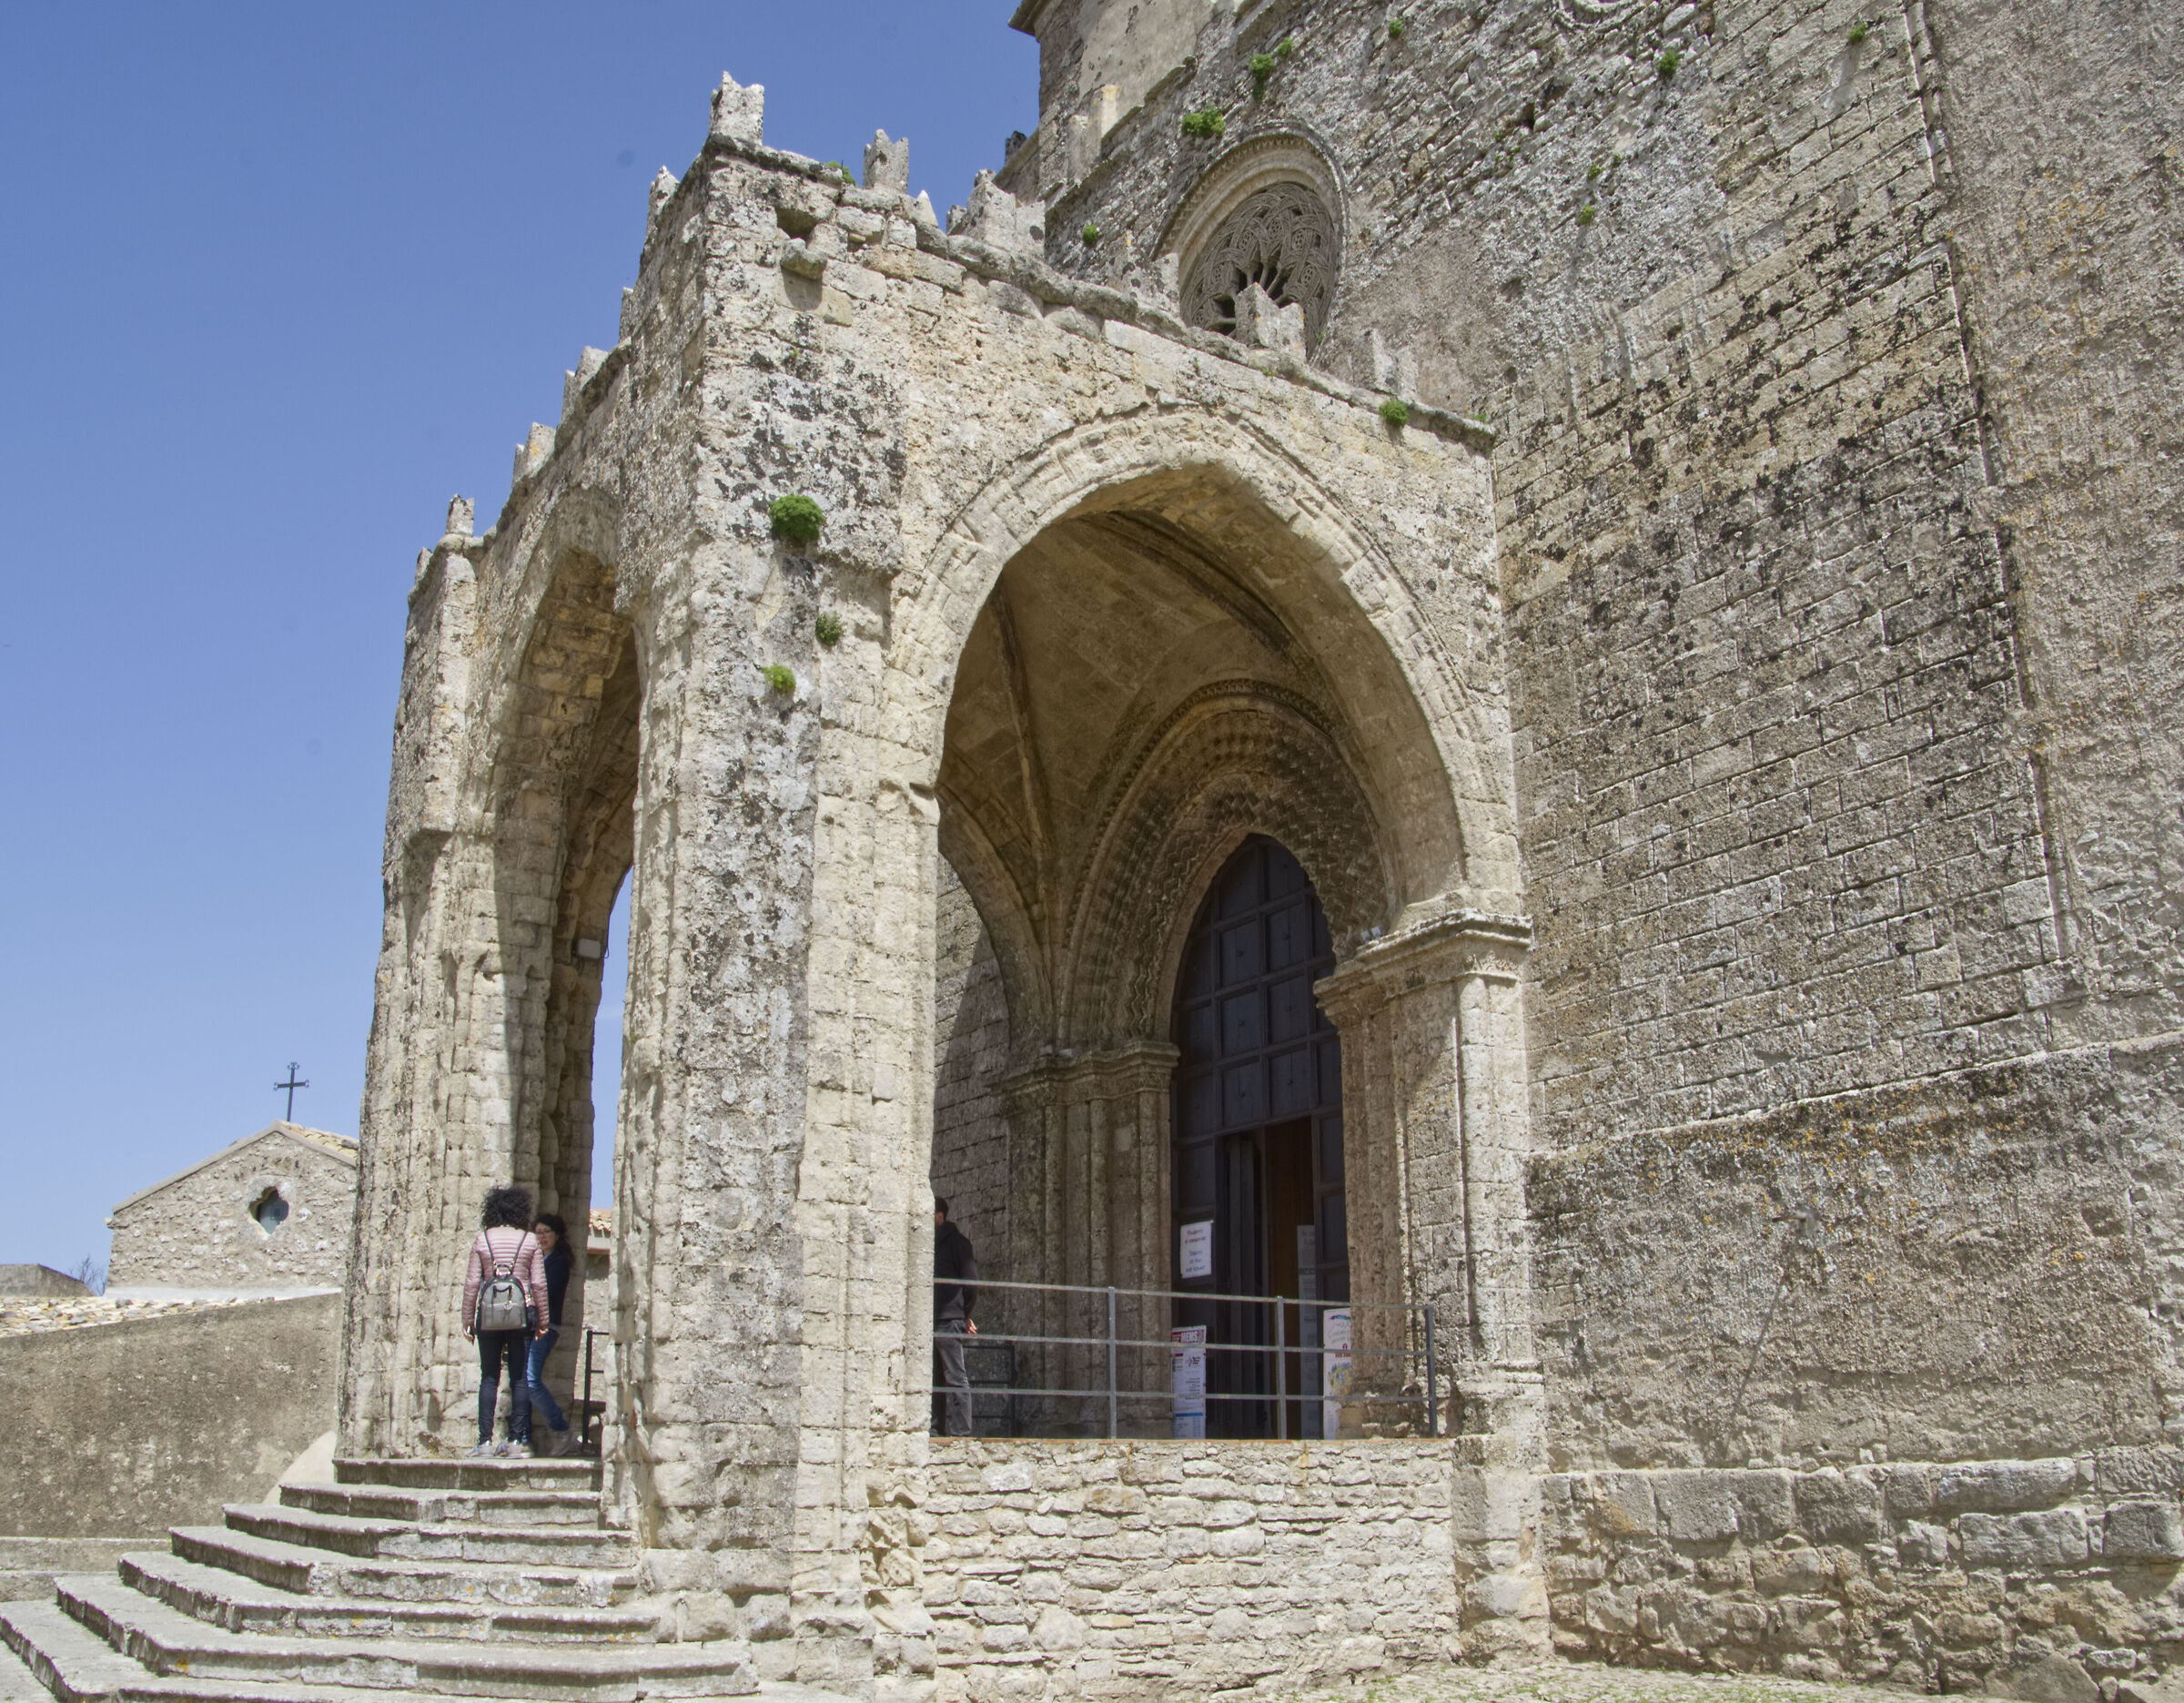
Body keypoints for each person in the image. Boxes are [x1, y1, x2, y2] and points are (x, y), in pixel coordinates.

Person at [462, 1185, 549, 1458]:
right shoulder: (530, 1241)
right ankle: (515, 1441)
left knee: (489, 1377)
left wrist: (467, 1319)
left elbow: (472, 1282)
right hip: (522, 1314)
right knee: (520, 1377)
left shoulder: (482, 1239)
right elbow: (538, 1283)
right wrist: (543, 1319)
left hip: (488, 1315)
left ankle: (484, 1442)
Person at [525, 1213, 577, 1456]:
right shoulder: (536, 1260)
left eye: (546, 1232)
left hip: (546, 1327)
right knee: (522, 1382)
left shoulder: (558, 1261)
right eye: (538, 1232)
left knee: (530, 1380)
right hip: (528, 1326)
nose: (542, 1237)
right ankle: (522, 1437)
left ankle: (561, 1430)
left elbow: (545, 1290)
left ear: (556, 1235)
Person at [933, 1197, 978, 1437]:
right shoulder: (931, 1245)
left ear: (940, 1216)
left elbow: (971, 1284)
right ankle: (934, 1430)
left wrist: (964, 1315)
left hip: (950, 1320)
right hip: (931, 1319)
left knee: (955, 1377)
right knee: (935, 1379)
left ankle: (961, 1433)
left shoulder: (958, 1244)